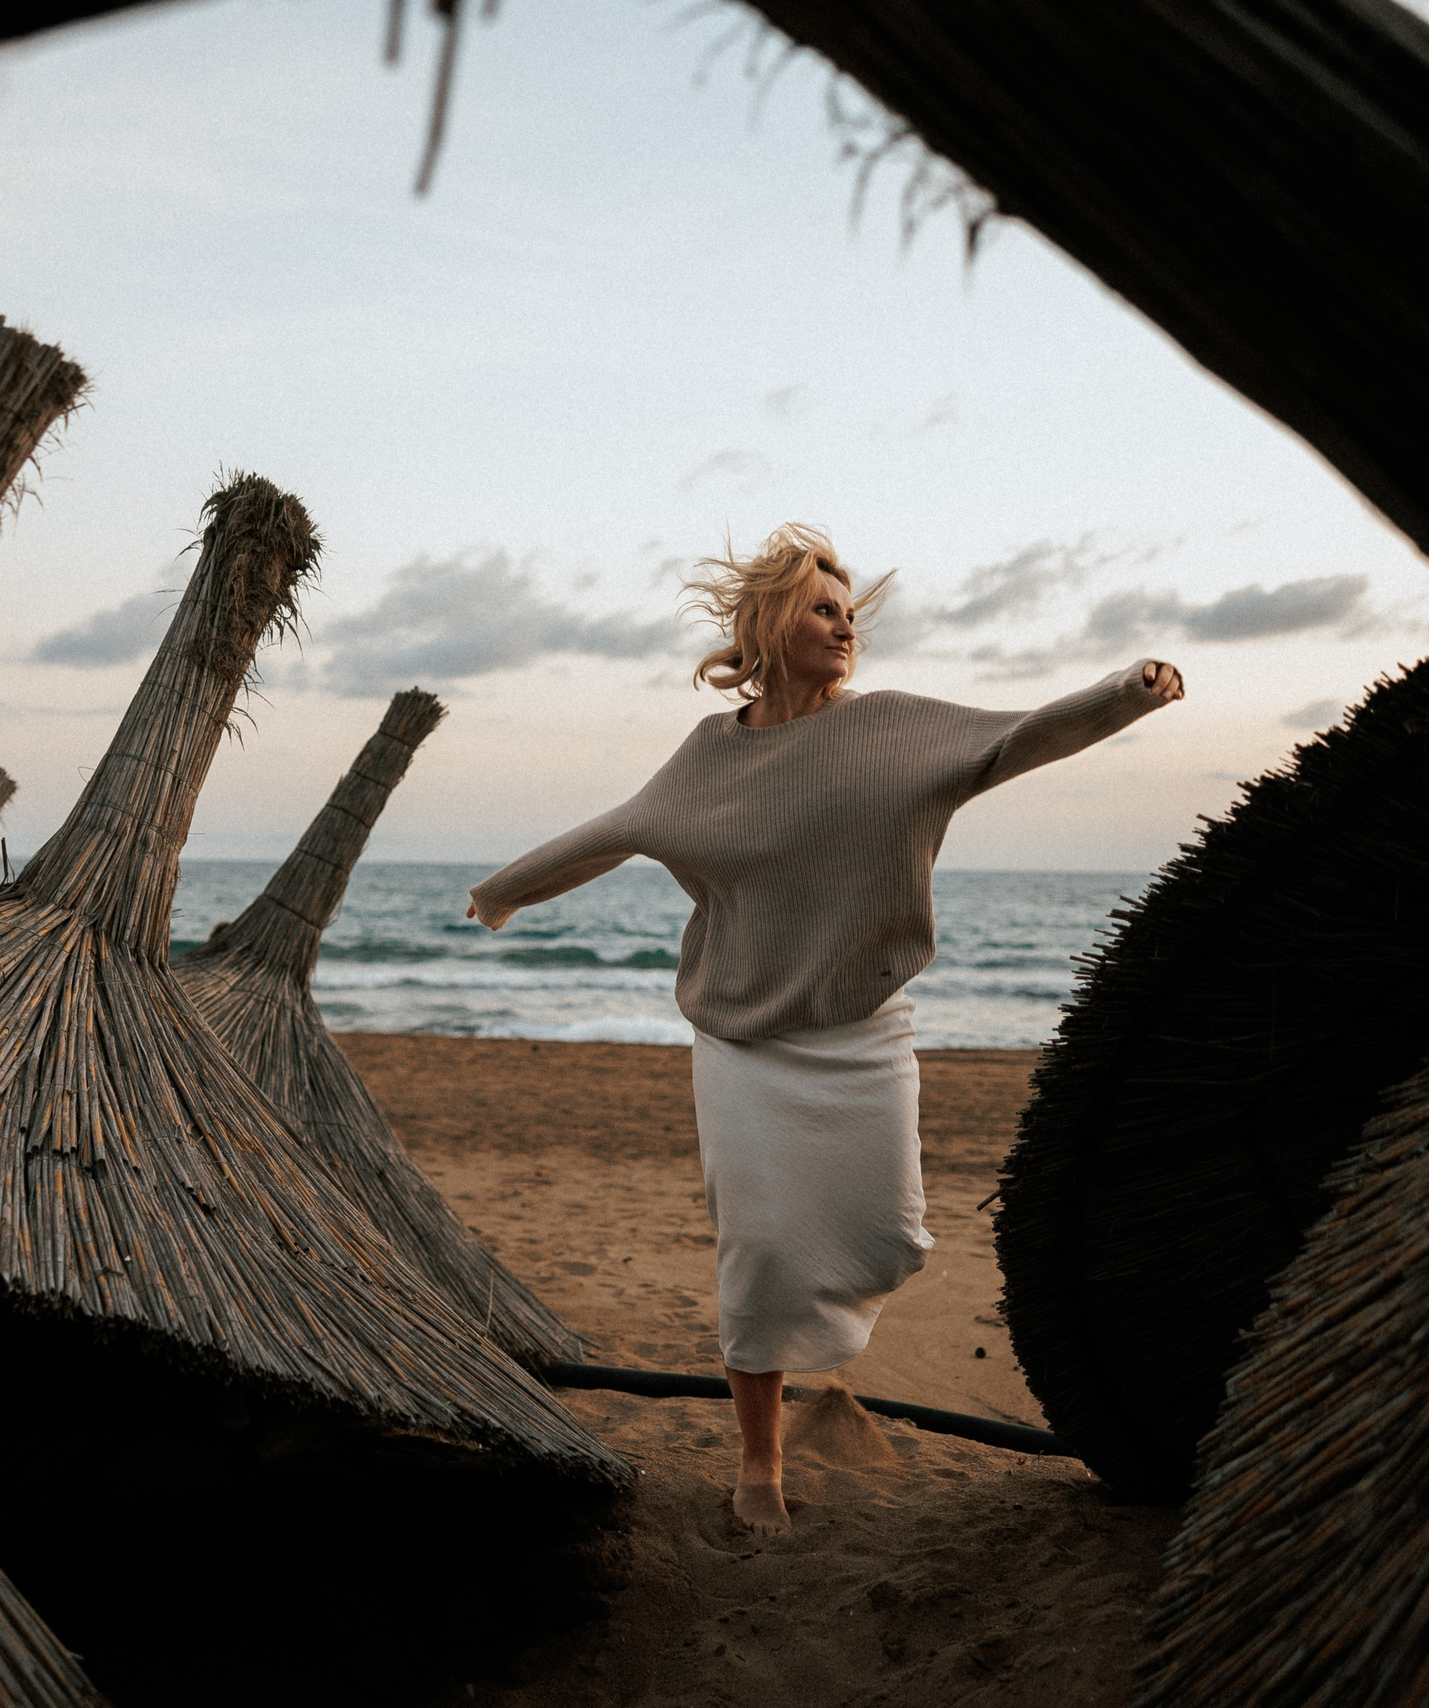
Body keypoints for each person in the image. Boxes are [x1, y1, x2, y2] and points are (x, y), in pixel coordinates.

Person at [465, 523, 1183, 1534]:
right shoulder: (710, 753)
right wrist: (505, 890)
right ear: (771, 623)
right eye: (822, 608)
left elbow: (1016, 736)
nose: (845, 627)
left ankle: (824, 1360)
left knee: (888, 1238)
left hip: (863, 1034)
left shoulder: (890, 729)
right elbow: (620, 828)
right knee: (758, 1253)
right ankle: (758, 1460)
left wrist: (1126, 692)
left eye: (850, 614)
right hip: (742, 1045)